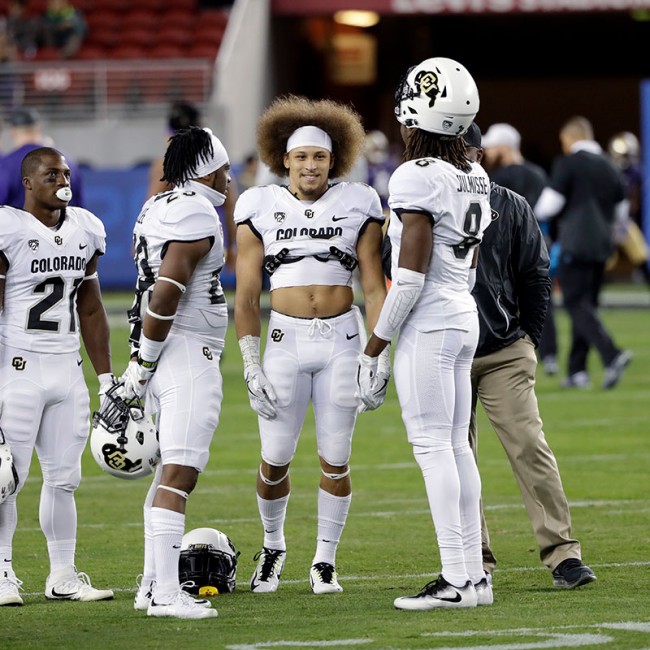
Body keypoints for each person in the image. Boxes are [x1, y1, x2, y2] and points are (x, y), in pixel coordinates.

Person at [233, 95, 387, 595]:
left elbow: (373, 285)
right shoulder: (259, 204)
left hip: (343, 338)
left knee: (336, 456)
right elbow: (248, 295)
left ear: (334, 158)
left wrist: (377, 354)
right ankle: (273, 545)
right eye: (301, 156)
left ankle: (325, 559)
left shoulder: (359, 200)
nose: (310, 165)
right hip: (285, 340)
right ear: (284, 159)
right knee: (274, 456)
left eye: (319, 156)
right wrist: (249, 362)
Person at [358, 57, 493, 610]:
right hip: (463, 311)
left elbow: (408, 278)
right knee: (456, 446)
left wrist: (375, 347)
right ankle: (473, 578)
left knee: (435, 447)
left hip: (432, 321)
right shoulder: (476, 175)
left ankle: (458, 579)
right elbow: (472, 262)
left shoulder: (416, 176)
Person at [464, 122, 597, 590]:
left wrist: (528, 342)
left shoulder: (509, 205)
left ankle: (562, 553)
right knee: (455, 459)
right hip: (442, 353)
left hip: (501, 349)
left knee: (530, 447)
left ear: (478, 155)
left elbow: (536, 275)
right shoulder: (416, 199)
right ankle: (470, 555)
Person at [121, 126, 231, 620]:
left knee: (170, 471)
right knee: (180, 473)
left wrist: (142, 359)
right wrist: (142, 363)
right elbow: (164, 292)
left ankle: (151, 585)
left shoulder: (158, 204)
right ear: (206, 169)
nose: (229, 181)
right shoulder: (194, 209)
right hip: (184, 351)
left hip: (168, 350)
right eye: (224, 171)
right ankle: (166, 594)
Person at [0, 146, 115, 606]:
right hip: (18, 367)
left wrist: (106, 380)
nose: (61, 180)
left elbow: (90, 307)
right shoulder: (9, 228)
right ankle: (3, 573)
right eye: (51, 174)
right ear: (28, 182)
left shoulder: (86, 230)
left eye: (65, 172)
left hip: (67, 369)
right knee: (6, 478)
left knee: (65, 478)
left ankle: (63, 575)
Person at [535, 116, 632, 390]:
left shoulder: (568, 164)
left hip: (576, 242)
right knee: (586, 305)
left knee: (574, 302)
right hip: (603, 245)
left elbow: (549, 206)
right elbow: (622, 212)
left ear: (570, 139)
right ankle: (578, 371)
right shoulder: (610, 166)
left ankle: (611, 354)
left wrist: (532, 215)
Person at [481, 122, 559, 375]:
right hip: (537, 245)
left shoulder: (498, 179)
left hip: (503, 248)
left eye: (492, 147)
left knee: (499, 298)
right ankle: (549, 354)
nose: (488, 153)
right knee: (540, 297)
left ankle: (509, 347)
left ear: (504, 147)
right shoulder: (538, 173)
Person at [148, 101, 237, 272]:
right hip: (209, 235)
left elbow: (152, 203)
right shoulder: (213, 160)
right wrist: (232, 246)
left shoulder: (164, 165)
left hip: (176, 237)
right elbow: (230, 204)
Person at [0, 107, 85, 209]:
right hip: (64, 224)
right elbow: (79, 207)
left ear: (13, 132)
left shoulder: (6, 164)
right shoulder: (67, 161)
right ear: (39, 128)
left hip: (21, 224)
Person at [606, 131, 650, 287]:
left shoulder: (636, 172)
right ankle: (596, 286)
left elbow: (636, 196)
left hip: (626, 220)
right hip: (608, 219)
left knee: (640, 252)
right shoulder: (608, 169)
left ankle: (646, 278)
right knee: (605, 257)